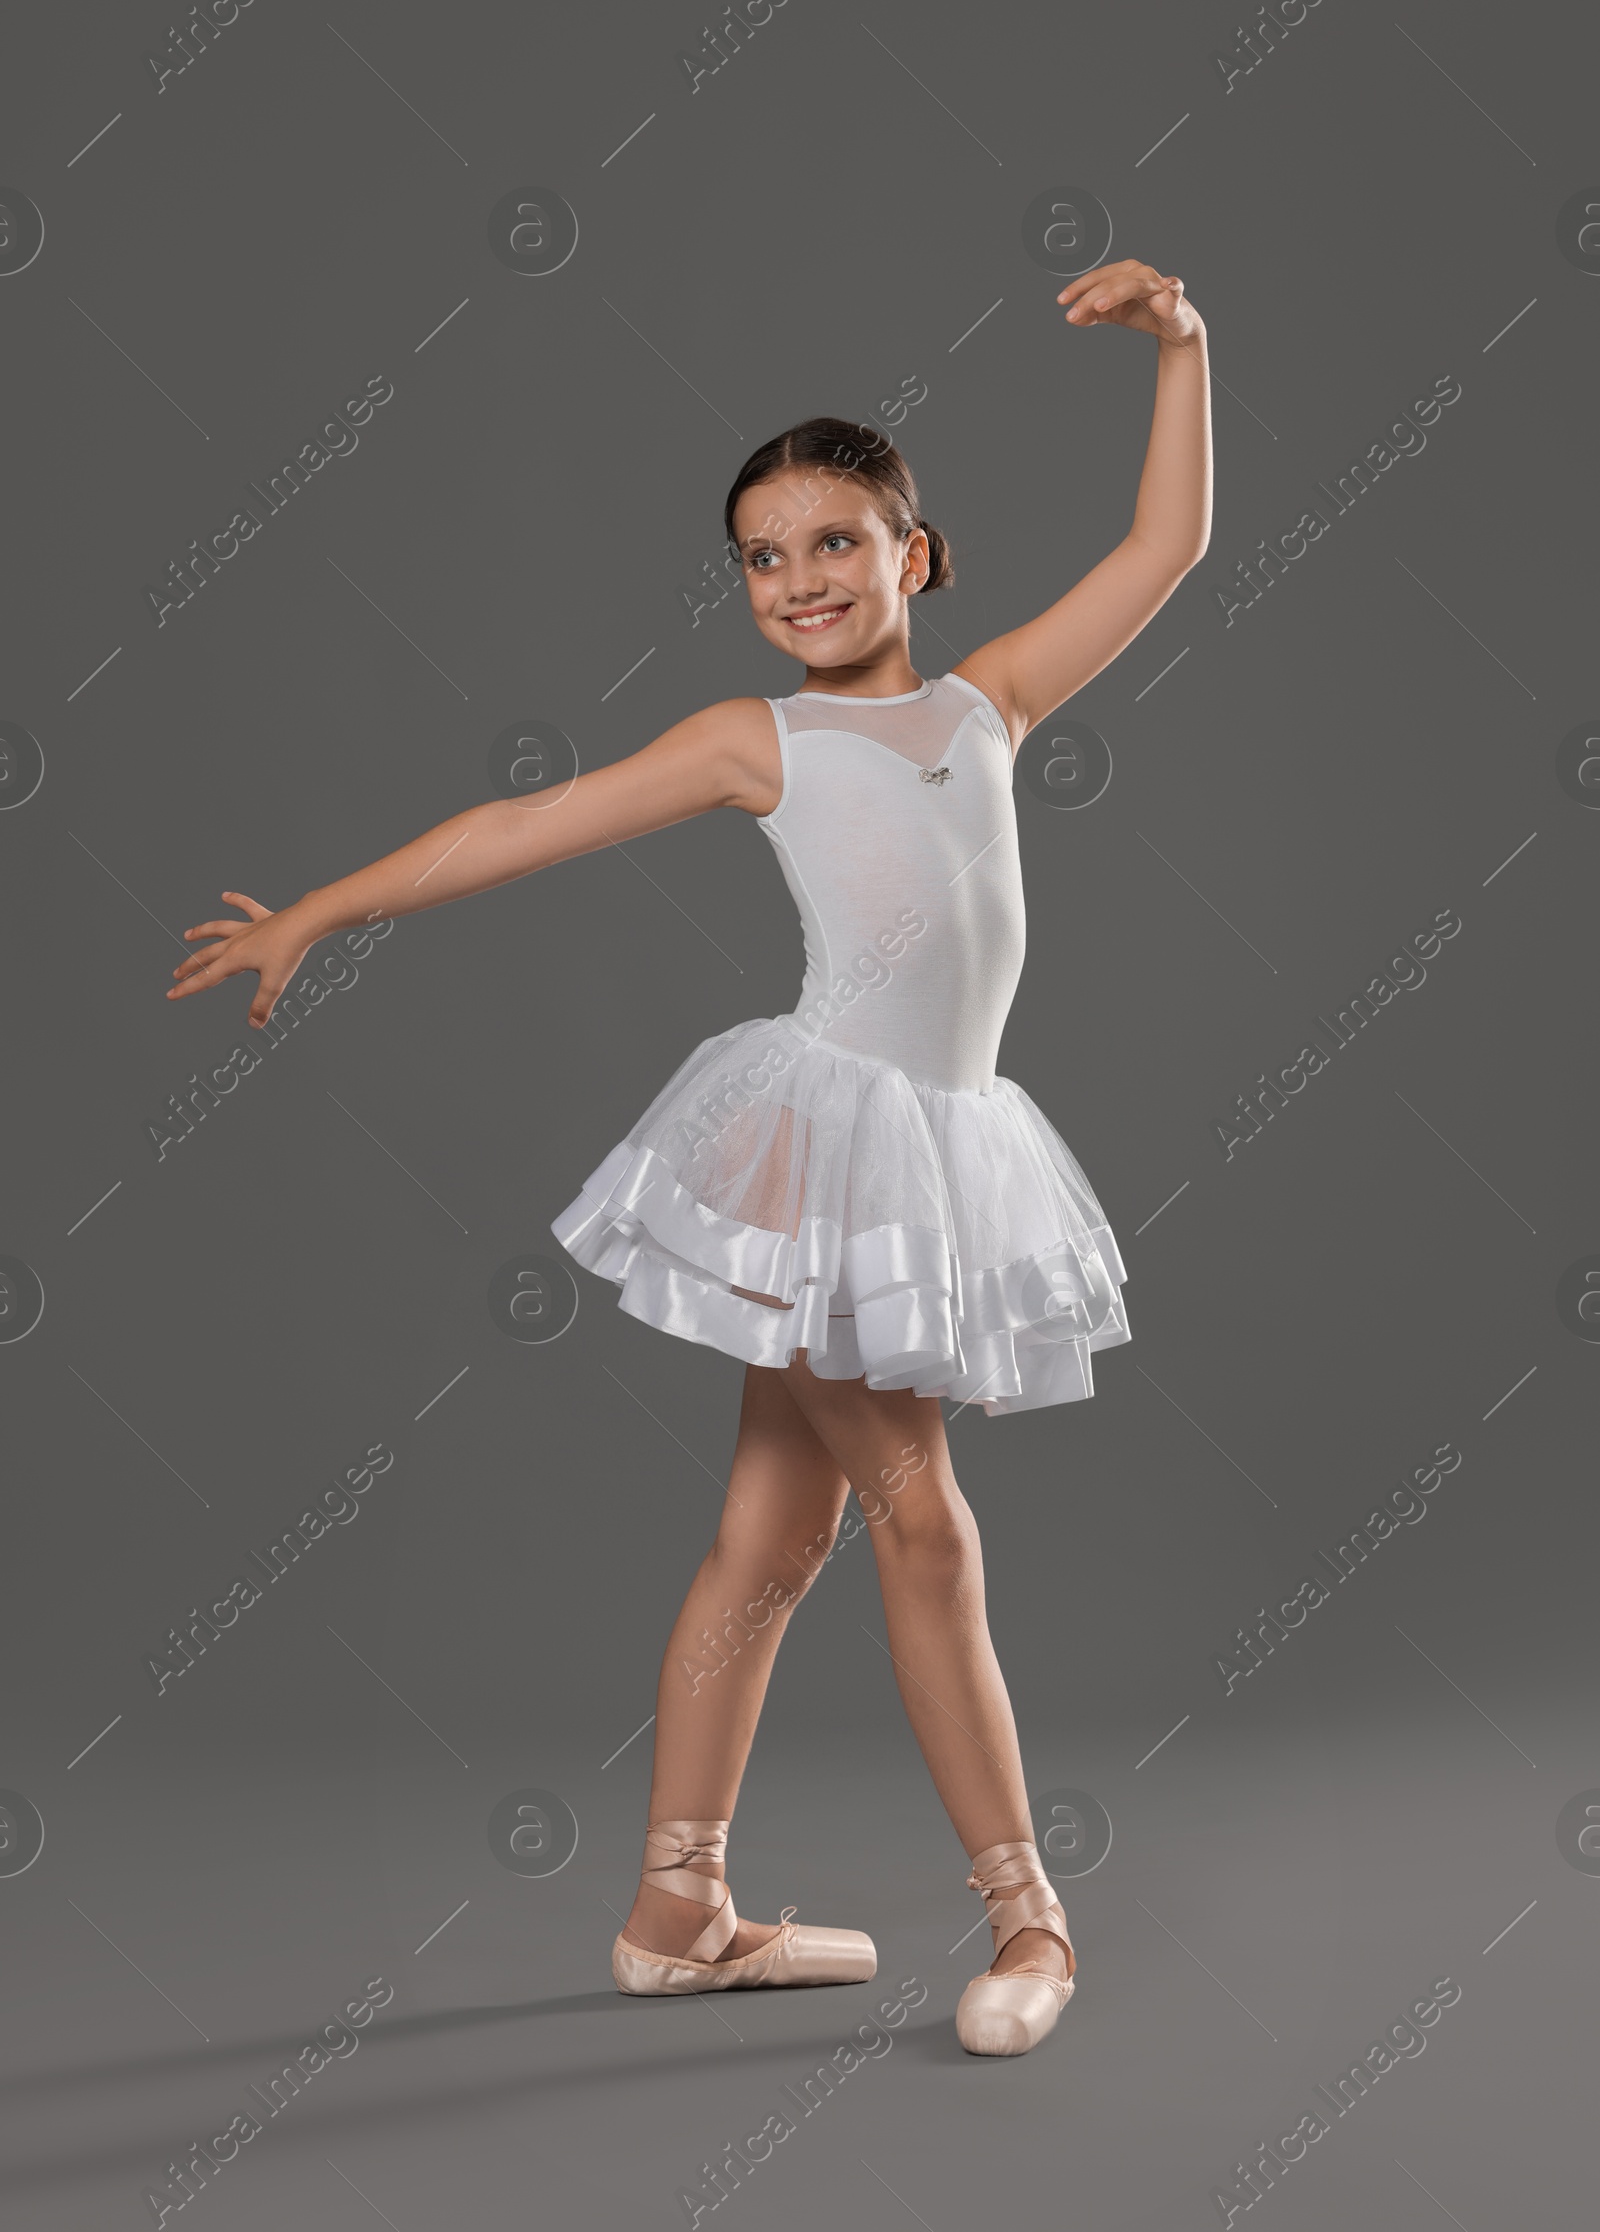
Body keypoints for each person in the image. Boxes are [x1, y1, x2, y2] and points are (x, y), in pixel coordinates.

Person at [167, 257, 1210, 2056]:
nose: (799, 581)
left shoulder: (989, 709)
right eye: (762, 556)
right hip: (823, 1148)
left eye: (836, 543)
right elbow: (529, 820)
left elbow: (1164, 549)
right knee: (929, 1535)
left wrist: (1187, 347)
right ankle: (1029, 1919)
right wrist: (321, 914)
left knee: (767, 1542)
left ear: (918, 555)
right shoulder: (760, 740)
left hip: (937, 1146)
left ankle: (678, 1909)